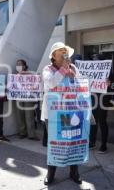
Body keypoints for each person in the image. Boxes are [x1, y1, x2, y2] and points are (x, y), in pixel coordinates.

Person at [41, 42, 82, 185]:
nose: (64, 51)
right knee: (55, 143)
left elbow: (81, 85)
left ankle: (74, 172)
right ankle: (51, 173)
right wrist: (64, 69)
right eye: (60, 50)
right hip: (53, 114)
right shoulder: (48, 69)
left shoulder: (74, 68)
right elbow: (52, 83)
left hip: (71, 111)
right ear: (53, 55)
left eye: (65, 50)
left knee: (72, 142)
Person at [15, 59, 40, 141]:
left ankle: (31, 134)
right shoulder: (15, 76)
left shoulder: (30, 74)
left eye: (20, 64)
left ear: (24, 66)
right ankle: (22, 133)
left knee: (29, 116)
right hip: (19, 97)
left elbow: (36, 84)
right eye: (17, 64)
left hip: (29, 98)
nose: (18, 66)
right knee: (20, 115)